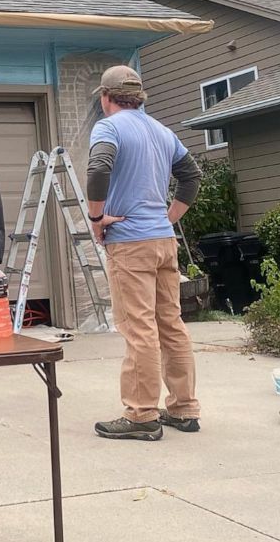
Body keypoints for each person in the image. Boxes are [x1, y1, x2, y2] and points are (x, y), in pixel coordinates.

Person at [86, 66, 203, 441]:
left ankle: (141, 416)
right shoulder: (162, 131)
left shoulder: (109, 128)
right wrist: (168, 217)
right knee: (170, 324)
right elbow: (192, 176)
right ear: (140, 97)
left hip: (130, 243)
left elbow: (99, 166)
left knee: (138, 328)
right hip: (163, 242)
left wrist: (96, 217)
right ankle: (184, 409)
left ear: (106, 97)